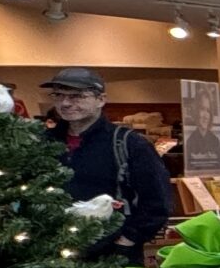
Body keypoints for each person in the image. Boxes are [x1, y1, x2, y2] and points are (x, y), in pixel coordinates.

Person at [40, 68, 173, 257]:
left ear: (101, 100)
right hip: (50, 253)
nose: (66, 103)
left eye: (77, 96)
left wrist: (128, 239)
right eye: (59, 95)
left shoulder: (129, 143)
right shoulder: (42, 142)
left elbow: (157, 201)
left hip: (111, 256)